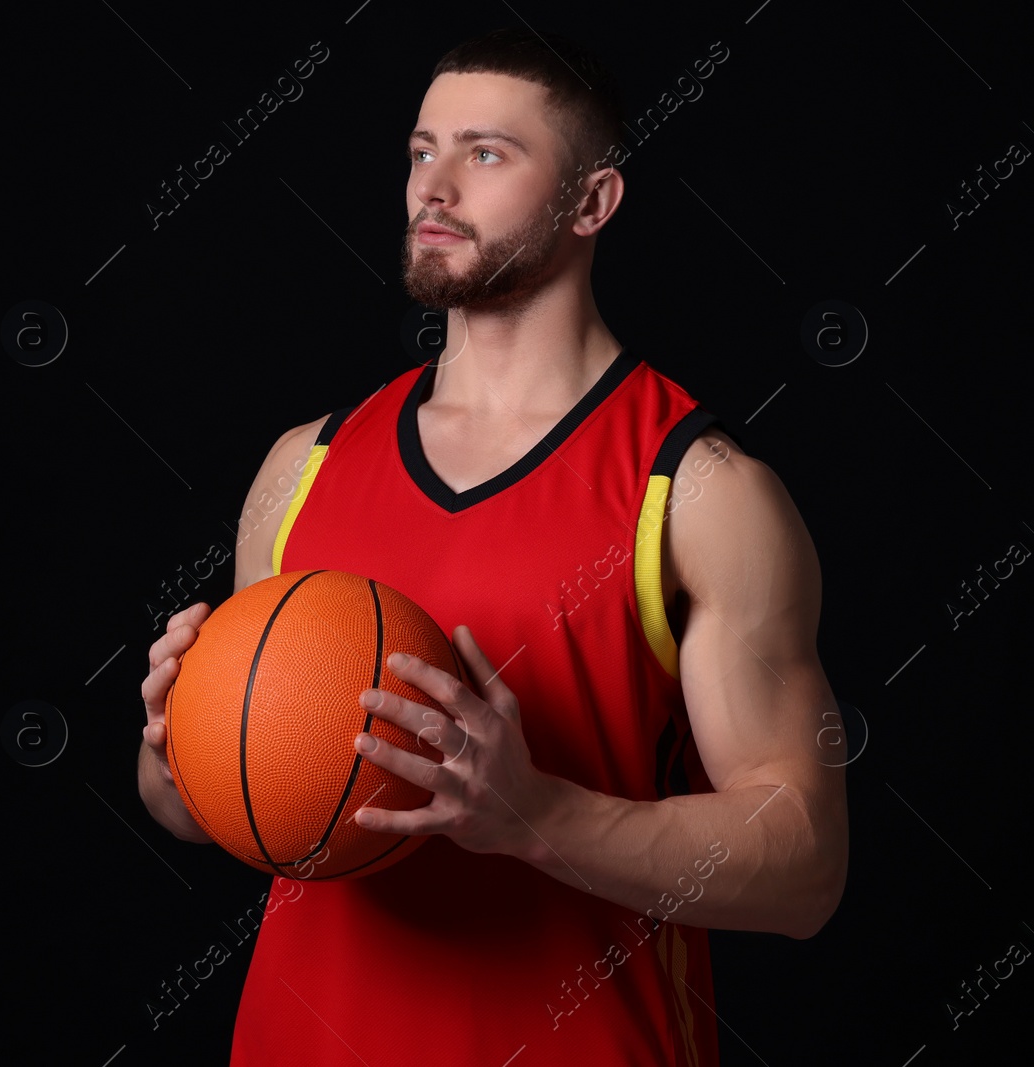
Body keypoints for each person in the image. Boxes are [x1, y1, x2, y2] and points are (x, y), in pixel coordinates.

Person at [138, 26, 848, 1067]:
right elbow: (210, 811)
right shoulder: (305, 465)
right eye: (422, 151)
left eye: (485, 154)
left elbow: (805, 868)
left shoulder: (695, 491)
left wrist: (536, 812)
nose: (434, 186)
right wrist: (178, 746)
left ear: (592, 202)